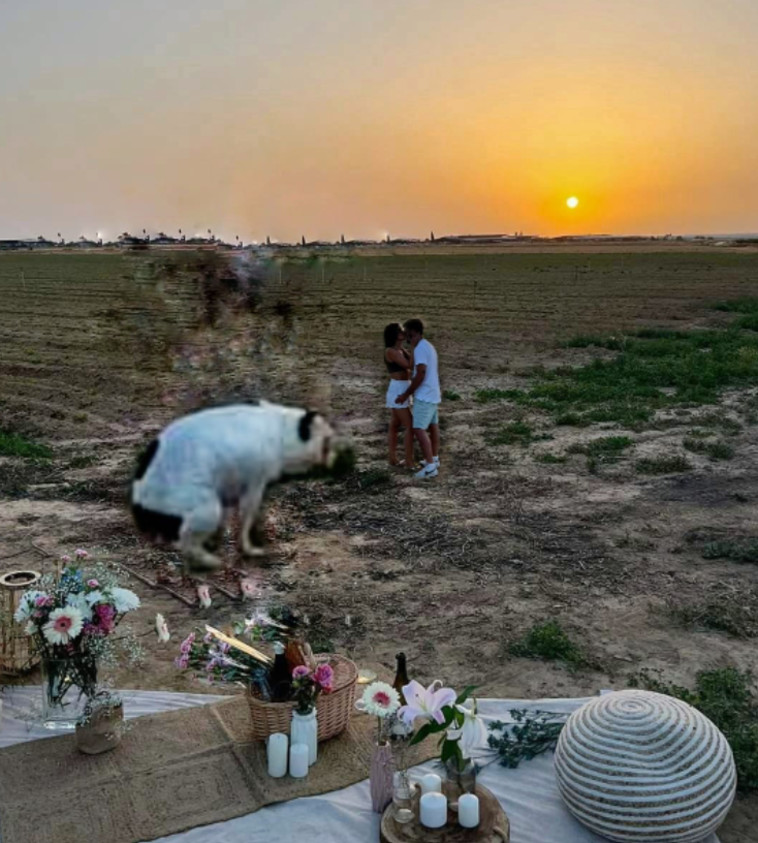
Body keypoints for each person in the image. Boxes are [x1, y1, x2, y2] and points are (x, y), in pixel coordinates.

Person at [396, 318, 440, 479]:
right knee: (433, 425)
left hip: (424, 395)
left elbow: (420, 373)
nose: (409, 339)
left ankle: (430, 467)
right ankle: (434, 457)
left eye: (411, 336)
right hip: (433, 393)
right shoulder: (427, 346)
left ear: (418, 333)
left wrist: (406, 394)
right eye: (407, 337)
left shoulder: (420, 349)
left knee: (418, 428)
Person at [383, 322, 415, 467]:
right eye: (400, 331)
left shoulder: (401, 350)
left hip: (404, 387)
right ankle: (408, 461)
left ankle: (392, 457)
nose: (403, 333)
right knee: (410, 425)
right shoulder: (391, 351)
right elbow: (409, 365)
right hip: (398, 389)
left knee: (395, 425)